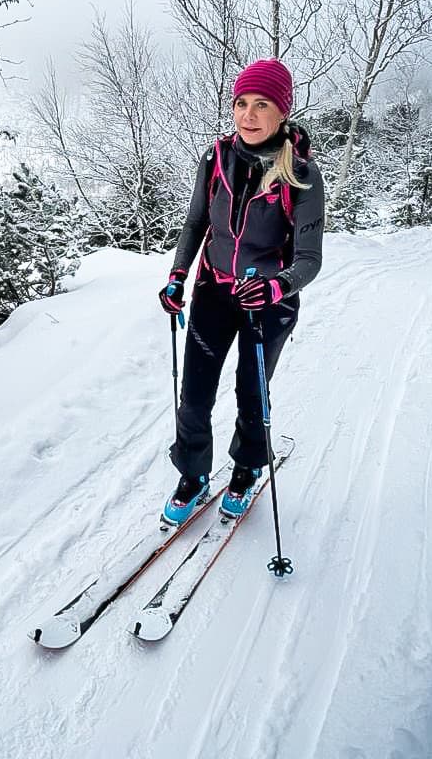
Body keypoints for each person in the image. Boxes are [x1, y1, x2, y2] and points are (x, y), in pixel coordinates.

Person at [158, 58, 324, 524]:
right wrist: (177, 275)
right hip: (214, 290)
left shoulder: (303, 175)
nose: (247, 115)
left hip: (268, 303)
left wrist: (278, 286)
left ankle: (248, 468)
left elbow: (309, 260)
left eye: (261, 104)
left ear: (282, 112)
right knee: (194, 392)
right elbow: (195, 224)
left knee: (252, 392)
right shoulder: (215, 158)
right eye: (241, 103)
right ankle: (193, 474)